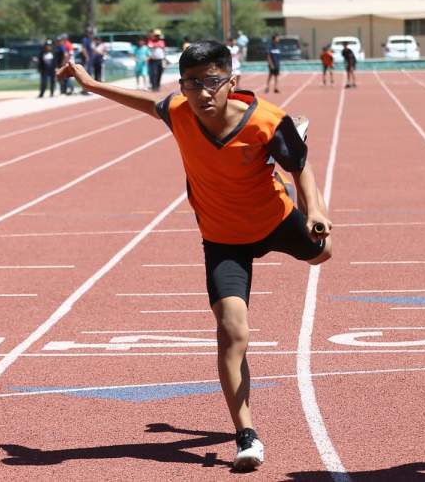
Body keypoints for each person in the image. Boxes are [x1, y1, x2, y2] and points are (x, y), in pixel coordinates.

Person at [57, 40, 333, 471]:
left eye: (212, 82)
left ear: (231, 81)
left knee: (322, 254)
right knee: (232, 331)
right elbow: (145, 102)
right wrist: (91, 82)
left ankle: (288, 153)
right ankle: (246, 434)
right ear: (181, 85)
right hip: (223, 238)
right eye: (192, 83)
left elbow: (302, 170)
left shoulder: (266, 121)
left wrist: (314, 210)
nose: (203, 93)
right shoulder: (179, 111)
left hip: (275, 219)